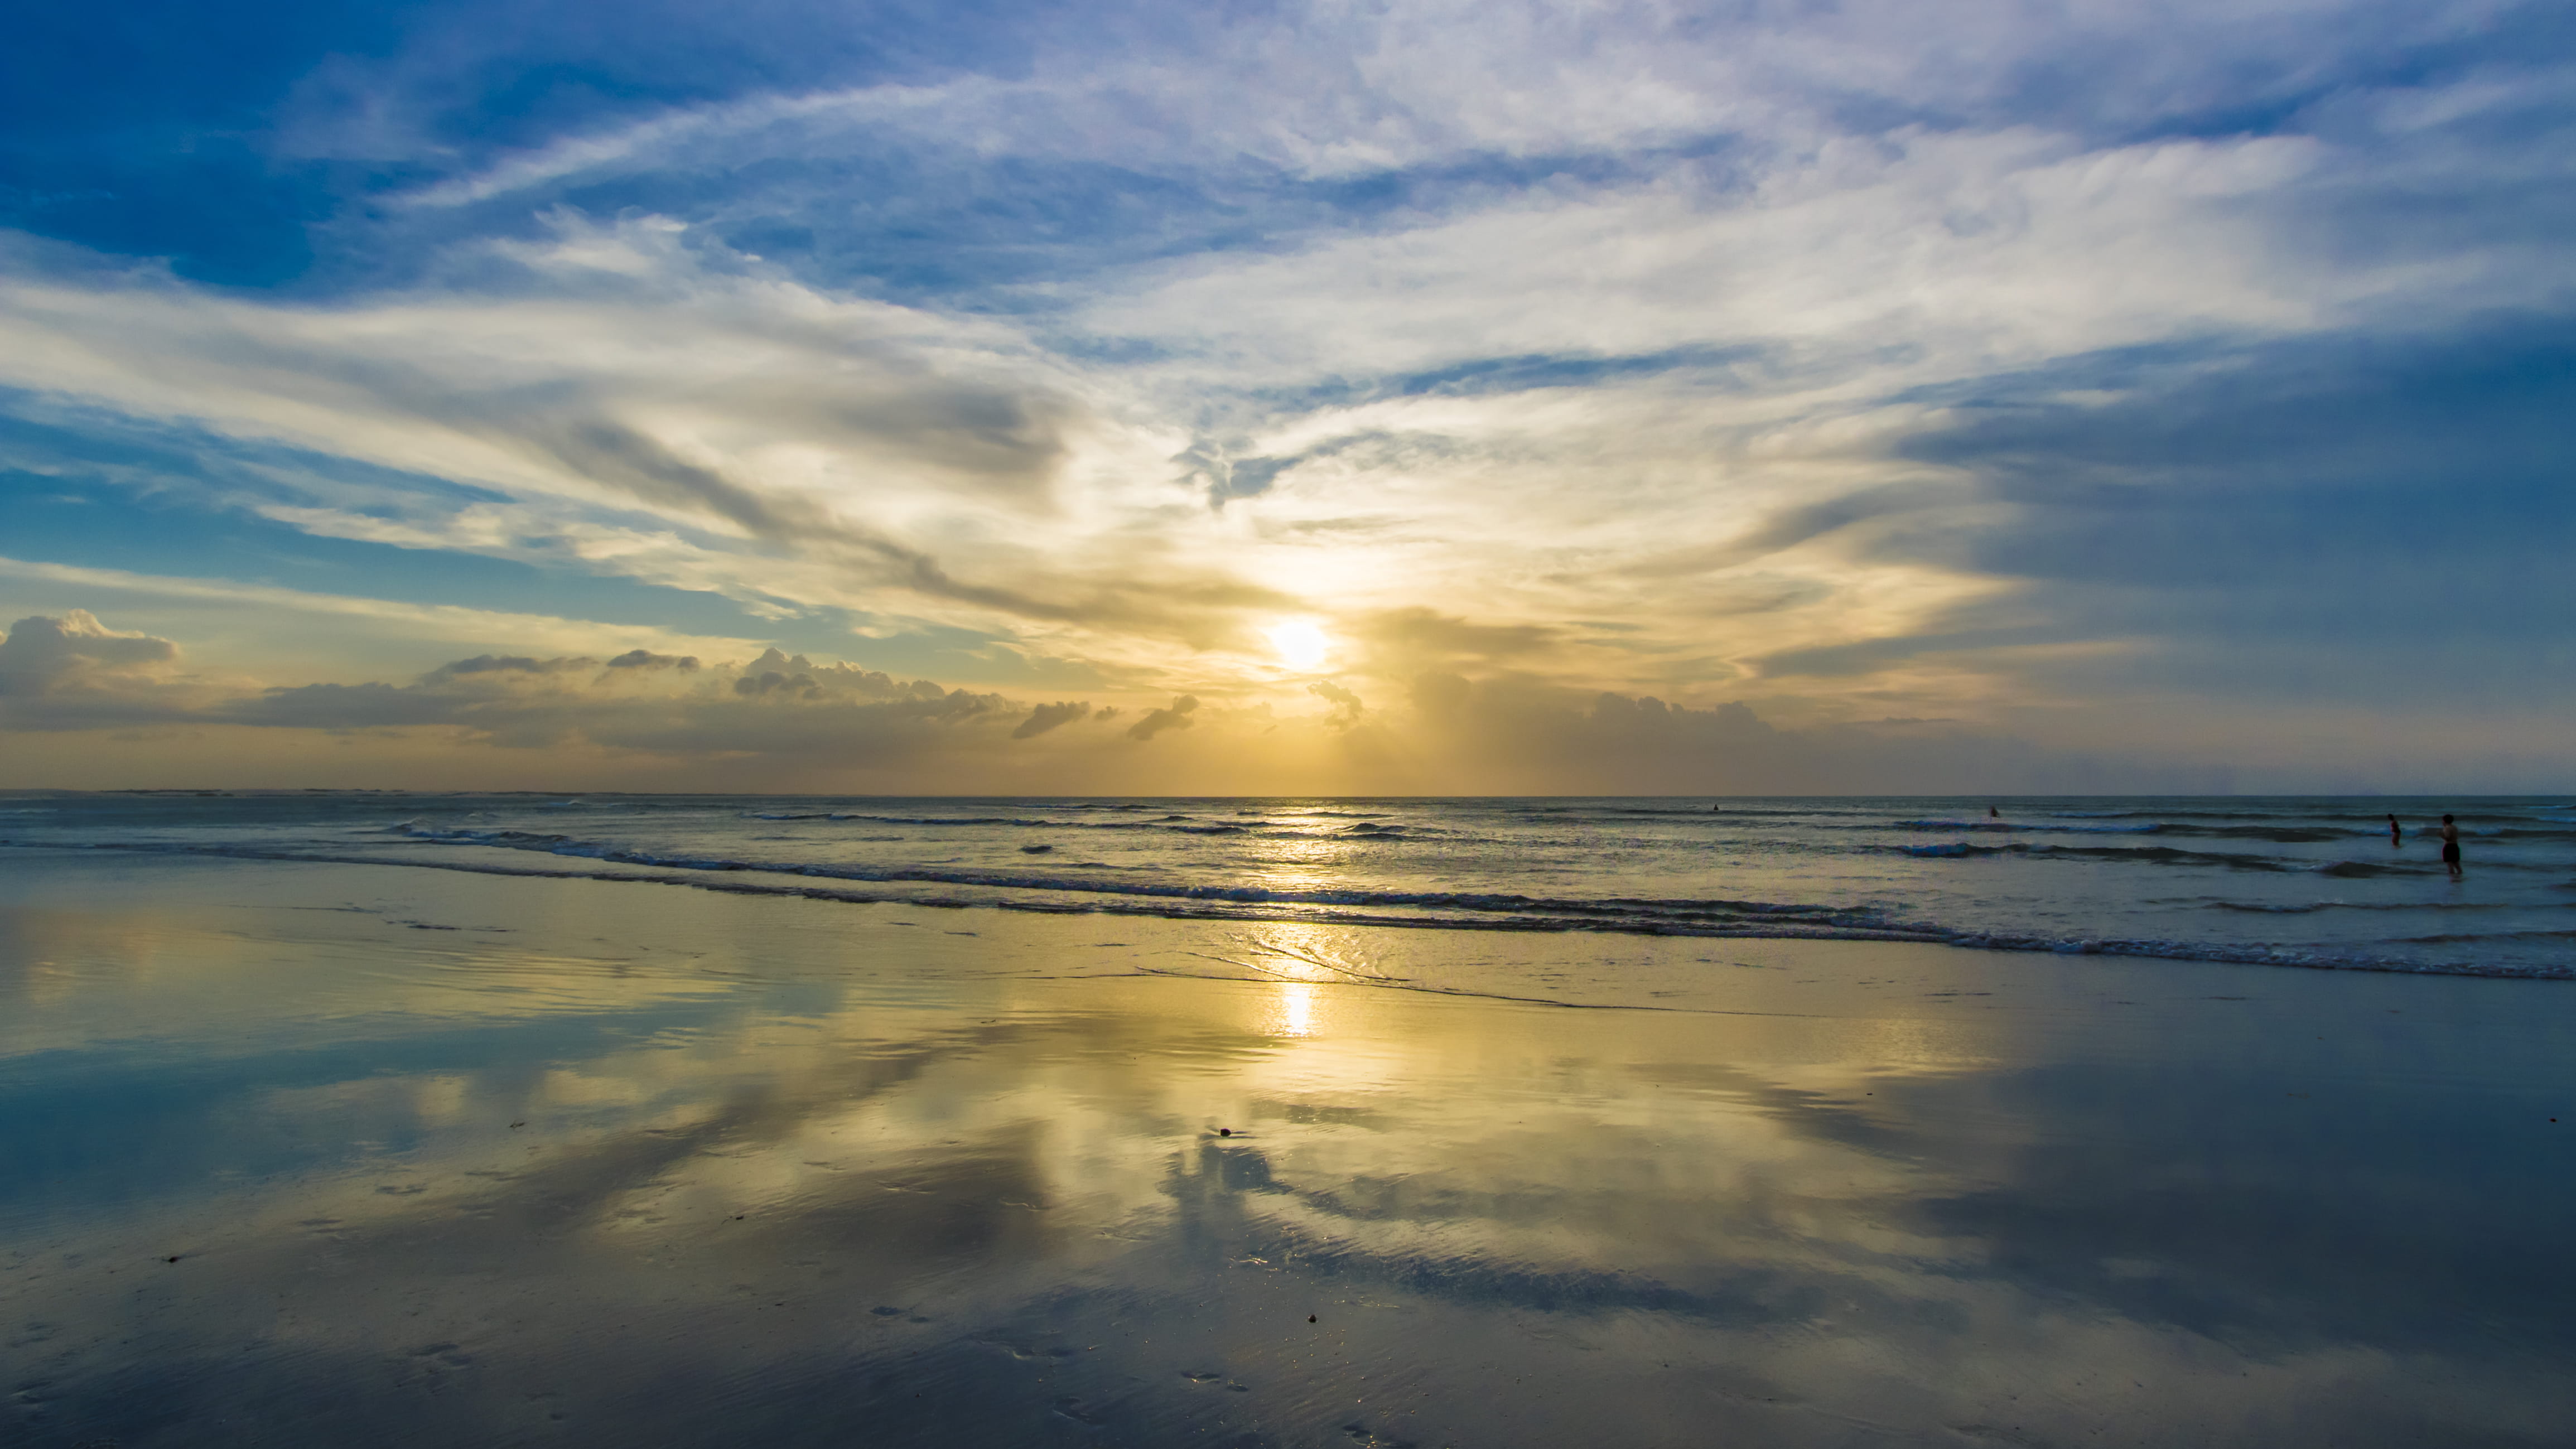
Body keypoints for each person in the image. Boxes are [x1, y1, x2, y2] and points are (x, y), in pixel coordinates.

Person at [2438, 813, 2463, 877]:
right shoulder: (2454, 827)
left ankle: (2453, 878)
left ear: (2445, 821)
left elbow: (2448, 838)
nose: (2442, 822)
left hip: (2449, 847)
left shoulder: (2447, 828)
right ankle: (2459, 877)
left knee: (2450, 865)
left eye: (2443, 821)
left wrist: (2441, 835)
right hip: (2455, 846)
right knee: (2457, 864)